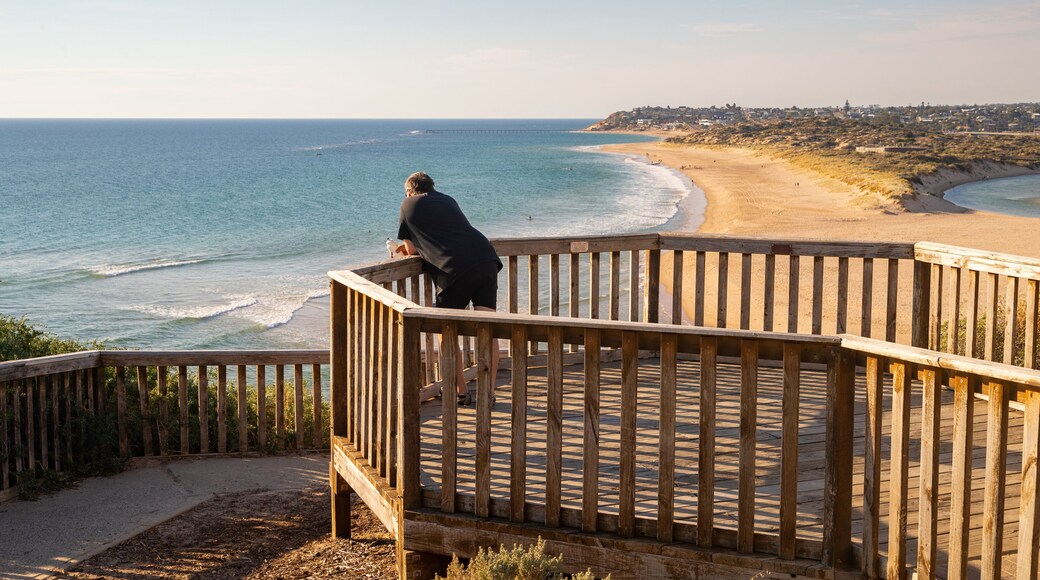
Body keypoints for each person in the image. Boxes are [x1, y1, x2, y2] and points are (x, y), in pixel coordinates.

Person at [392, 172, 502, 406]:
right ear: (432, 187)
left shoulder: (407, 204)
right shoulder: (448, 199)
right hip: (485, 257)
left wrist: (397, 250)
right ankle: (489, 393)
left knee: (447, 332)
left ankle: (461, 392)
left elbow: (411, 249)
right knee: (488, 328)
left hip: (454, 269)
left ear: (410, 190)